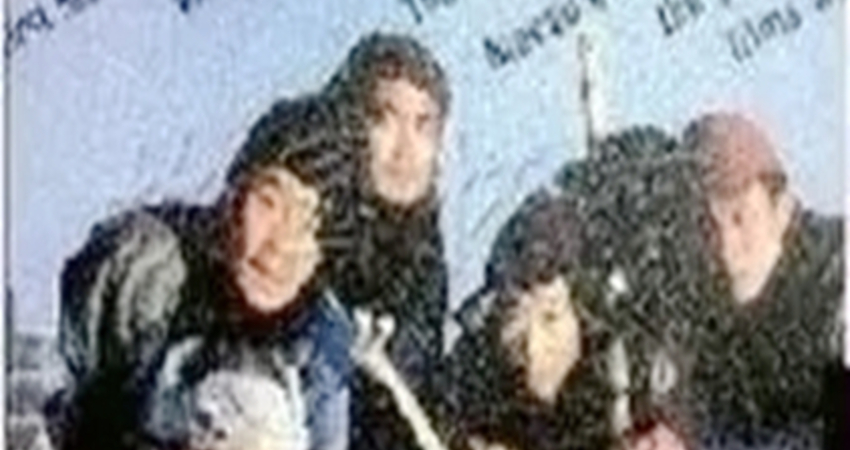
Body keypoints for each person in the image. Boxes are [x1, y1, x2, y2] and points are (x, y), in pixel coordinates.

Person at [47, 96, 355, 450]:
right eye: (269, 203)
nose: (280, 244)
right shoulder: (147, 269)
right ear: (233, 194)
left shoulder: (322, 335)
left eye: (308, 225)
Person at [681, 112, 844, 450]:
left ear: (781, 209)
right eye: (707, 226)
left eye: (740, 218)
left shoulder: (838, 279)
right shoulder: (701, 308)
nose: (724, 249)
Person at [323, 32, 451, 450]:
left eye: (423, 125)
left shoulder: (426, 260)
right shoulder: (304, 236)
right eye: (384, 118)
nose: (405, 149)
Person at [439, 192, 617, 450]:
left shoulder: (629, 404)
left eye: (551, 318)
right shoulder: (465, 385)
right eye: (513, 322)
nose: (533, 349)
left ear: (585, 322)